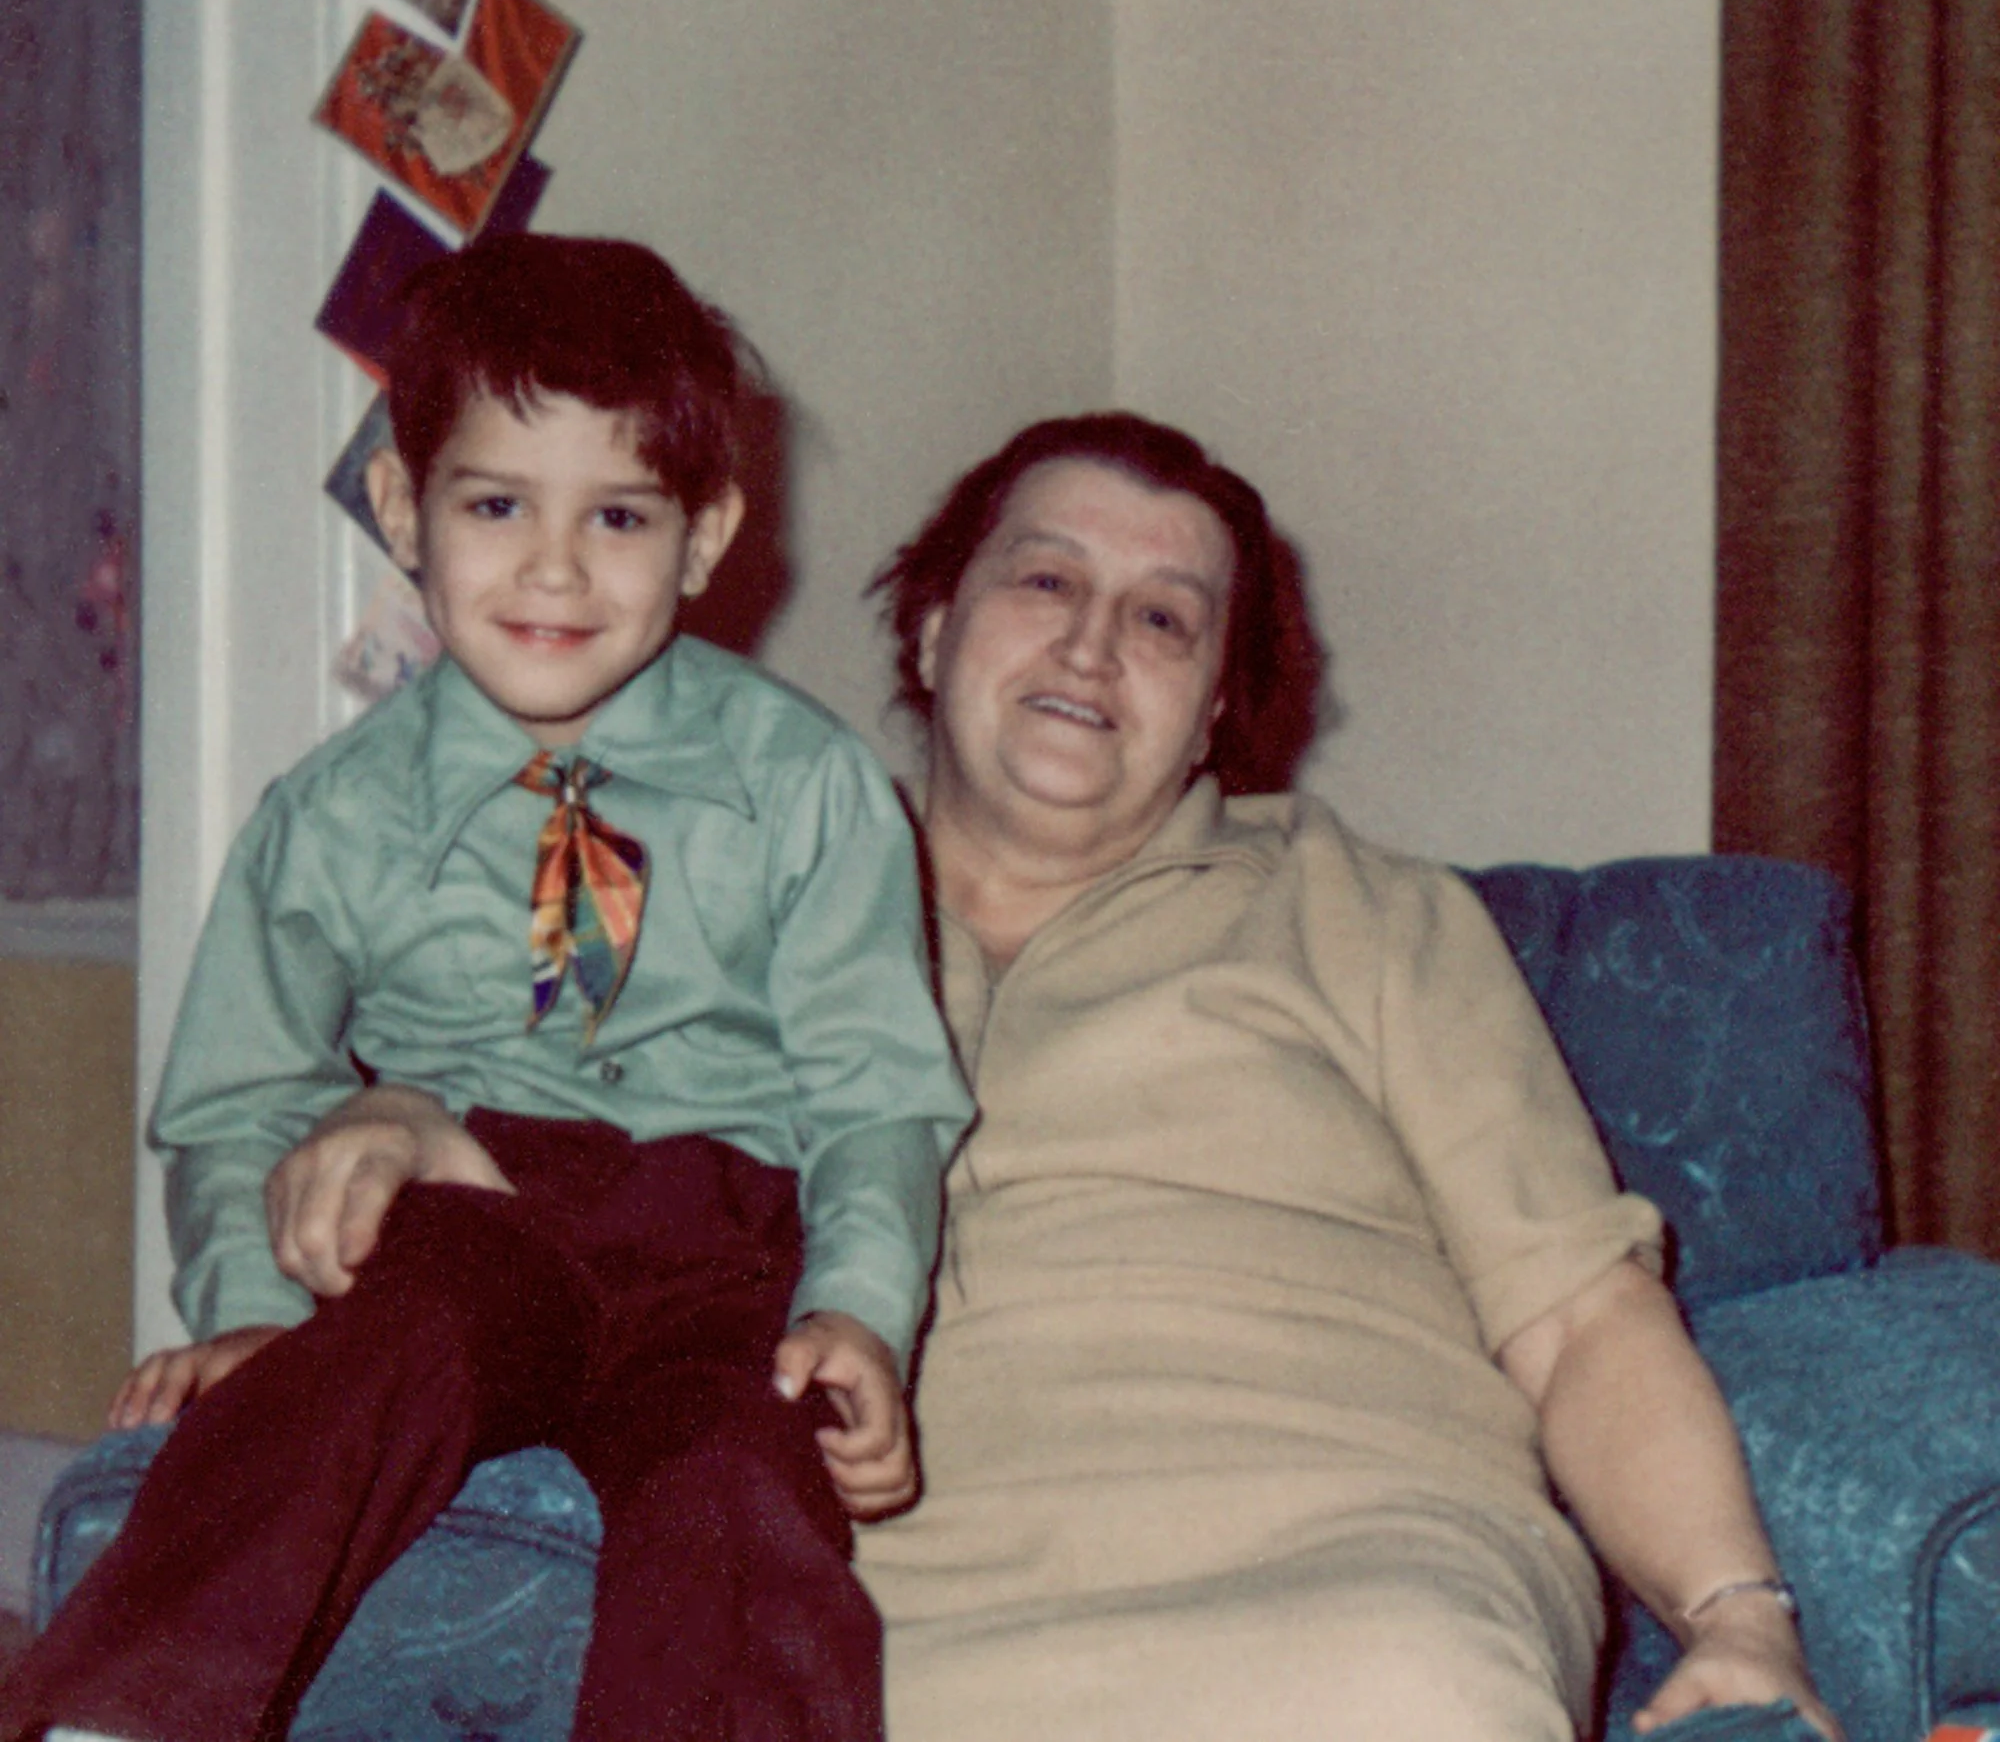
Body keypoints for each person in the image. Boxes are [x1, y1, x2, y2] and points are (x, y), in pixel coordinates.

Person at [0, 235, 974, 1742]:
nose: (557, 568)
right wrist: (254, 1309)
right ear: (404, 510)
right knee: (385, 1350)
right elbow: (239, 1094)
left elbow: (876, 1093)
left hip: (723, 1243)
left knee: (739, 1490)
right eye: (498, 502)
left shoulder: (814, 789)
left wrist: (859, 1307)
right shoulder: (329, 815)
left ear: (704, 538)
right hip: (473, 1209)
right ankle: (123, 1714)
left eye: (622, 514)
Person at [844, 411, 1844, 1742]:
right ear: (930, 626)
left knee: (1410, 1684)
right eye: (1045, 580)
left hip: (1358, 1560)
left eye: (1163, 620)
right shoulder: (759, 921)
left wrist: (1738, 1615)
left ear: (1209, 714)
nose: (1091, 642)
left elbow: (1579, 1319)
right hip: (910, 1603)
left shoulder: (1363, 908)